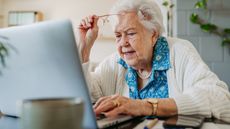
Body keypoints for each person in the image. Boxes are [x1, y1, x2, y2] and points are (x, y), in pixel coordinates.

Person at [77, 0, 230, 122]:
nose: (123, 43)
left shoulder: (178, 51)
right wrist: (84, 48)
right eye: (118, 36)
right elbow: (86, 97)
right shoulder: (115, 62)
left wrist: (144, 106)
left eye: (130, 33)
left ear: (153, 34)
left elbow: (219, 97)